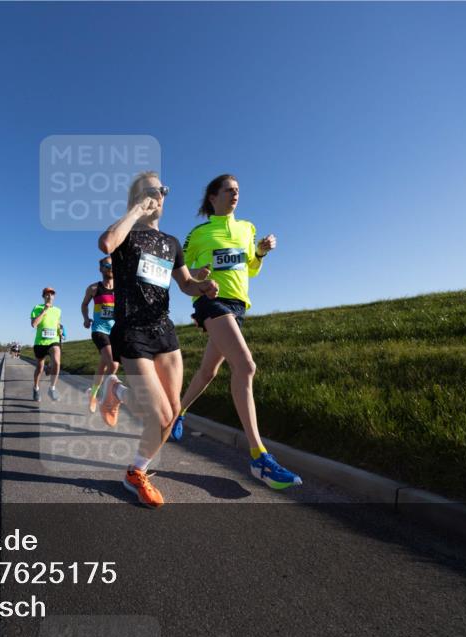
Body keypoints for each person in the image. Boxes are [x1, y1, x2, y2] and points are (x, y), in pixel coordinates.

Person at [97, 171, 218, 508]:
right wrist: (135, 211)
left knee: (173, 413)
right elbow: (105, 244)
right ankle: (118, 392)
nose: (159, 195)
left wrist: (201, 286)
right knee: (161, 416)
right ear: (137, 197)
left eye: (162, 189)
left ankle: (135, 471)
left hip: (163, 330)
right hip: (131, 331)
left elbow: (185, 284)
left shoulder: (171, 242)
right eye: (151, 190)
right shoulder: (125, 234)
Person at [178, 173, 301, 490]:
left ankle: (177, 412)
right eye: (229, 190)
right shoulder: (199, 233)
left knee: (208, 371)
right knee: (245, 366)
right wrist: (197, 275)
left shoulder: (247, 229)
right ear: (212, 197)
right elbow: (181, 273)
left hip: (238, 306)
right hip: (211, 301)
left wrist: (259, 254)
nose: (235, 195)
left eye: (237, 191)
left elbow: (249, 268)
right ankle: (259, 456)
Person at [81, 257, 119, 413]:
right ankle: (105, 398)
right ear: (101, 268)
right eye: (107, 265)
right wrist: (85, 318)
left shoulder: (121, 288)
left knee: (103, 366)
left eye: (113, 265)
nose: (110, 267)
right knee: (113, 364)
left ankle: (93, 395)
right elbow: (84, 304)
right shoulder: (94, 288)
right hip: (99, 330)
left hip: (115, 331)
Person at [30, 286, 62, 401]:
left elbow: (57, 324)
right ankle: (36, 388)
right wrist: (44, 310)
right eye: (47, 294)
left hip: (53, 341)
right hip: (40, 342)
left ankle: (52, 388)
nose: (49, 296)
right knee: (39, 368)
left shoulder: (58, 310)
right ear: (43, 296)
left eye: (52, 294)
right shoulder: (37, 308)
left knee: (57, 362)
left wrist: (60, 332)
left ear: (54, 297)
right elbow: (34, 324)